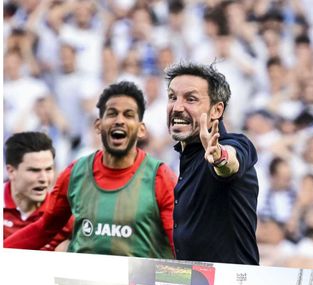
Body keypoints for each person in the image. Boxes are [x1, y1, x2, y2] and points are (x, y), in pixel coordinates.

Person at [4, 82, 176, 258]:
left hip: (137, 284)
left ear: (141, 130)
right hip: (81, 284)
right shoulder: (75, 173)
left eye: (128, 115)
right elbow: (45, 228)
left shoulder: (160, 178)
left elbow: (178, 243)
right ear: (98, 126)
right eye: (112, 113)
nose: (119, 120)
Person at [165, 62, 259, 265]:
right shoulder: (186, 156)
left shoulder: (234, 144)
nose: (177, 107)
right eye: (172, 97)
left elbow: (230, 164)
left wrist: (219, 157)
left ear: (216, 110)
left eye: (191, 99)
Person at [3, 131, 71, 251]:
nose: (44, 179)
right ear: (11, 171)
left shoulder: (64, 215)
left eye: (49, 169)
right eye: (34, 170)